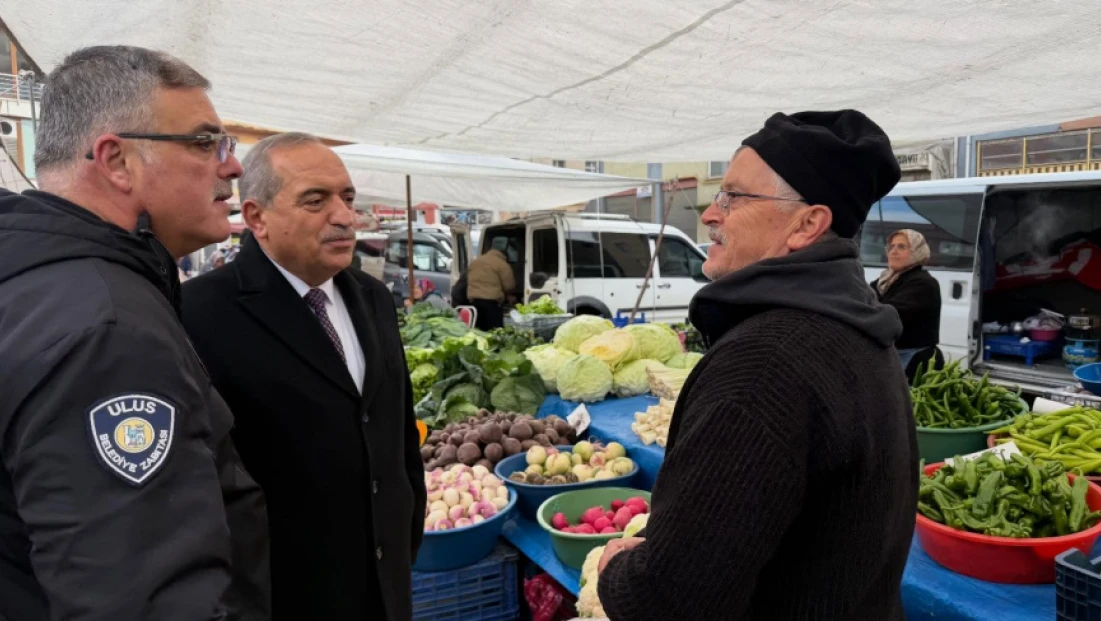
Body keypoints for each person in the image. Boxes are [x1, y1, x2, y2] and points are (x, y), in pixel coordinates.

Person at [596, 111, 917, 621]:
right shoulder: (861, 331)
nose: (709, 215)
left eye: (733, 197)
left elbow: (668, 604)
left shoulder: (764, 365)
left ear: (807, 224)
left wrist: (615, 572)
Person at [0, 46, 270, 620]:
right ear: (116, 161)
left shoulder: (40, 286)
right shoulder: (105, 329)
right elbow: (142, 602)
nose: (232, 166)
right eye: (205, 142)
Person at [181, 133, 426, 621]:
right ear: (256, 217)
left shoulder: (372, 297)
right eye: (316, 201)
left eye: (348, 199)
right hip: (285, 595)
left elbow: (397, 432)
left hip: (387, 587)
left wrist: (404, 533)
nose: (344, 217)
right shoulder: (199, 313)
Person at [871, 229, 943, 381]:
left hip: (914, 359)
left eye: (902, 247)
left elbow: (888, 314)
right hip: (891, 354)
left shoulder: (923, 283)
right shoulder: (882, 282)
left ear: (918, 251)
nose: (894, 251)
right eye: (891, 247)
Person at [466, 242, 515, 329]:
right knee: (494, 330)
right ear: (504, 256)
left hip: (474, 301)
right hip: (492, 302)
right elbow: (509, 286)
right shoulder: (502, 264)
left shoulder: (475, 261)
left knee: (478, 328)